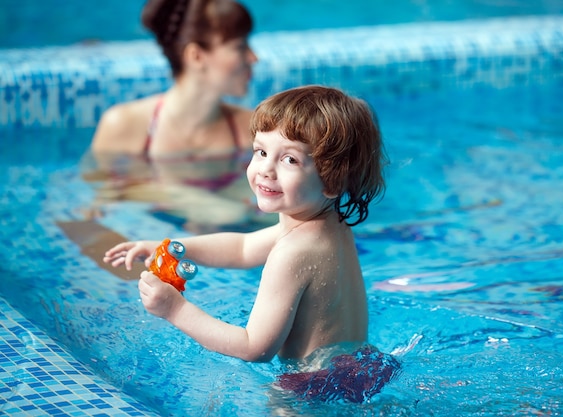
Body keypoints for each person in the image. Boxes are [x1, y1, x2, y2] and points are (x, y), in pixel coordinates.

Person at [103, 86, 399, 401]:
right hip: (365, 370)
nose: (265, 170)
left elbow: (254, 347)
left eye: (289, 159)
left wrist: (174, 310)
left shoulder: (293, 253)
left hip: (312, 392)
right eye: (260, 152)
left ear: (333, 180)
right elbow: (243, 248)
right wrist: (176, 247)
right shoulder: (328, 226)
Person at [91, 0, 257, 159]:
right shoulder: (122, 126)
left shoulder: (253, 130)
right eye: (240, 47)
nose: (254, 58)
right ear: (196, 56)